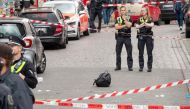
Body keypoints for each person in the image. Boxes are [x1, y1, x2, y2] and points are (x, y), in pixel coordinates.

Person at [0, 43, 34, 109]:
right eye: (10, 45)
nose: (11, 47)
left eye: (13, 45)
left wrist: (23, 77)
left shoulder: (16, 84)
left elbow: (33, 82)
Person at [135, 7, 154, 72]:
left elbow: (152, 25)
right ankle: (141, 66)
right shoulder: (140, 19)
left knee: (149, 52)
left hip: (149, 36)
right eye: (141, 11)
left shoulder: (150, 18)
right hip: (141, 36)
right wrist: (142, 25)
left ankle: (149, 67)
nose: (142, 12)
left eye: (143, 10)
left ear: (146, 11)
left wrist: (146, 24)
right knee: (141, 52)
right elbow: (136, 26)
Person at [114, 6, 133, 71]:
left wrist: (124, 20)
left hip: (127, 37)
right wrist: (124, 25)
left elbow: (129, 25)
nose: (123, 11)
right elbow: (116, 27)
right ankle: (118, 66)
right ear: (120, 11)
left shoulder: (129, 18)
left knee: (129, 52)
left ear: (126, 11)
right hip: (120, 37)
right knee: (118, 53)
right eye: (121, 10)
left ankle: (130, 66)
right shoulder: (118, 18)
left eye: (124, 10)